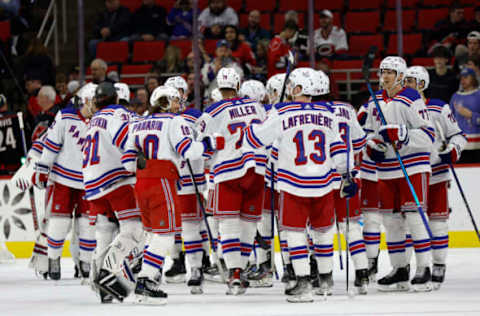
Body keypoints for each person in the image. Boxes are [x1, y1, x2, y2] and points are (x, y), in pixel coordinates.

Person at [243, 67, 356, 302]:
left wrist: (249, 127)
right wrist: (347, 175)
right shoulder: (329, 113)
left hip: (293, 184)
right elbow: (339, 148)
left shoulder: (281, 112)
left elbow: (256, 139)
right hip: (324, 183)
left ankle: (303, 283)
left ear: (297, 89)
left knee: (295, 234)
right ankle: (325, 280)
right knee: (323, 232)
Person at [121, 85, 223, 303]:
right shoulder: (174, 121)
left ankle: (147, 277)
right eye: (176, 101)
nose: (179, 105)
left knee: (152, 233)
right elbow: (189, 150)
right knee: (166, 235)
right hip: (162, 179)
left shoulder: (138, 123)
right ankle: (146, 280)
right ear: (165, 102)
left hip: (141, 182)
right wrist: (210, 143)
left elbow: (127, 163)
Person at [364, 56, 435, 292]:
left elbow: (429, 136)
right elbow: (369, 134)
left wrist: (402, 134)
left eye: (390, 73)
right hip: (386, 170)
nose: (384, 76)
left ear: (401, 76)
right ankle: (399, 269)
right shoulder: (374, 102)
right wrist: (372, 146)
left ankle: (424, 268)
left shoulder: (411, 98)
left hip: (412, 166)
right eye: (382, 72)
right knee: (391, 221)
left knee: (414, 217)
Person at [195, 67, 267, 295]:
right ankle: (242, 270)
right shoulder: (256, 106)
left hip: (228, 170)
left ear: (218, 86)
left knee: (228, 224)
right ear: (238, 85)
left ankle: (234, 273)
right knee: (248, 224)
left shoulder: (212, 110)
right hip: (257, 169)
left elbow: (201, 147)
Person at [404, 66, 467, 289]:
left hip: (436, 174)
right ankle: (420, 266)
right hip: (411, 173)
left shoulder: (438, 107)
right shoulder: (402, 107)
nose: (406, 85)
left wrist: (452, 150)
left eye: (411, 81)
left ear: (422, 84)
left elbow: (458, 135)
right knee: (412, 223)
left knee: (438, 222)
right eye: (405, 81)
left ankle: (439, 263)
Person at [83, 82, 142, 303]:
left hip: (92, 182)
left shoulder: (94, 119)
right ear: (116, 98)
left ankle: (97, 279)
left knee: (105, 230)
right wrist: (141, 160)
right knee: (133, 229)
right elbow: (125, 141)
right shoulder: (119, 114)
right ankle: (108, 272)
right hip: (116, 178)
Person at [31, 84, 97, 281]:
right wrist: (43, 169)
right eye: (95, 101)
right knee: (59, 222)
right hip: (62, 178)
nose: (98, 105)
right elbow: (51, 144)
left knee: (87, 224)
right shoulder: (65, 117)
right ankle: (53, 259)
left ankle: (85, 262)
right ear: (85, 100)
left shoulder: (101, 120)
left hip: (89, 180)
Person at [317, 70, 369, 294]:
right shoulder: (347, 109)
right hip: (347, 173)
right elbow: (359, 142)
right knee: (353, 229)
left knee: (322, 230)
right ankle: (362, 275)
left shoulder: (314, 111)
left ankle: (325, 280)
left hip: (322, 177)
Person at [449, 67, 480, 163]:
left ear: (474, 78)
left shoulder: (478, 94)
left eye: (466, 77)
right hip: (460, 145)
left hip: (477, 145)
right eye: (461, 77)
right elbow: (449, 120)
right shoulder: (455, 96)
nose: (462, 80)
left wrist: (471, 115)